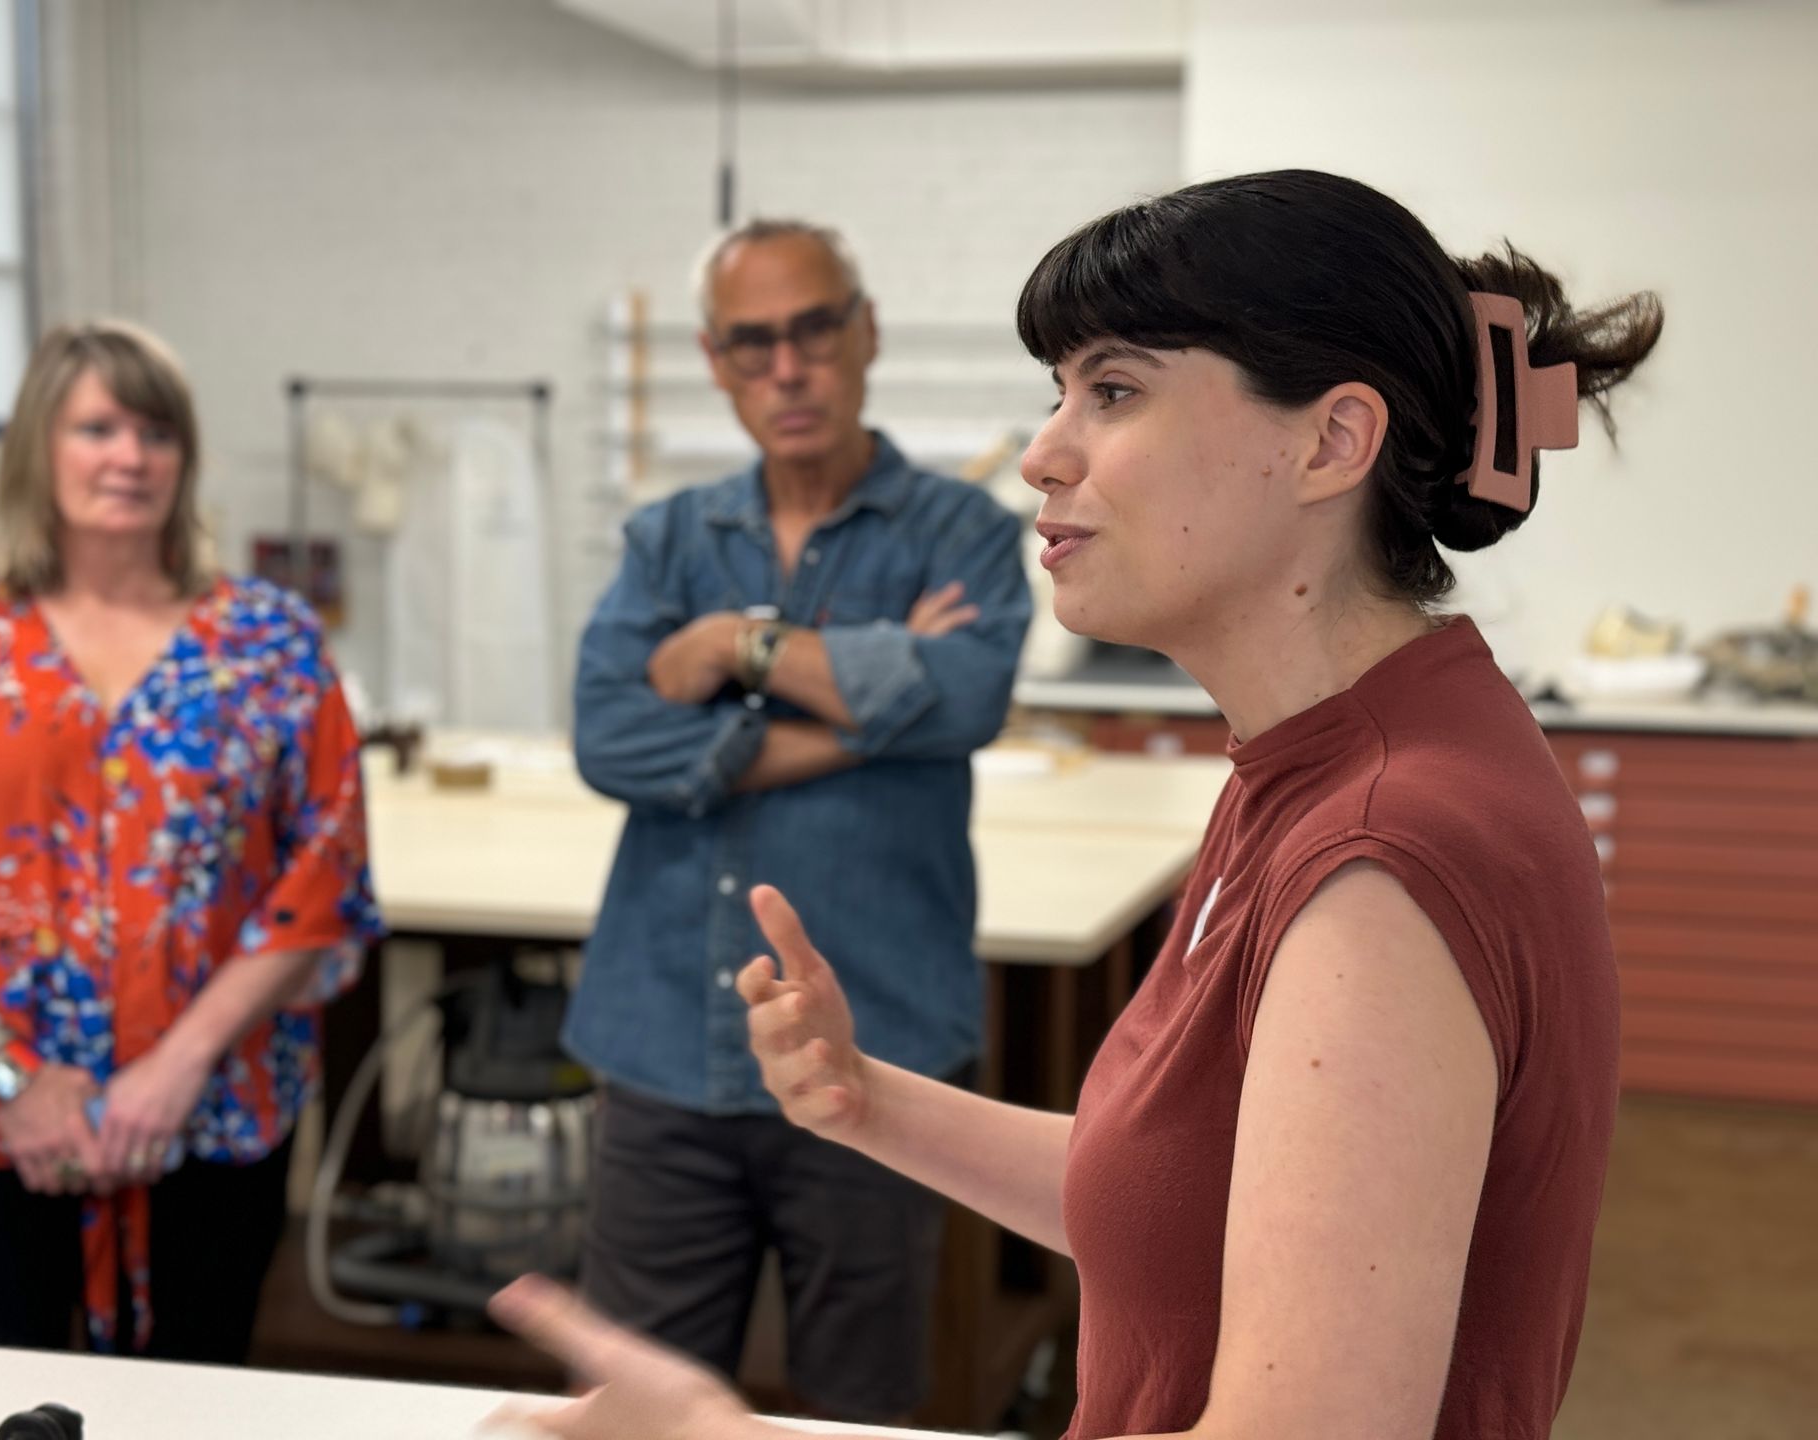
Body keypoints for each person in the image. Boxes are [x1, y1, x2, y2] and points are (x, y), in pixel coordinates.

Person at [489, 169, 1664, 1440]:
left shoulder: (1378, 856)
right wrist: (866, 1098)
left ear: (1332, 442)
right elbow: (1183, 1203)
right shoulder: (1323, 763)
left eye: (1113, 391)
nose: (1044, 455)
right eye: (1059, 395)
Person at [562, 218, 1031, 1421]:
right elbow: (613, 739)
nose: (789, 369)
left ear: (865, 332)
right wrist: (872, 708)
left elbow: (967, 697)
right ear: (717, 363)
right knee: (638, 1406)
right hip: (663, 1036)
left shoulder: (962, 530)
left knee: (862, 1410)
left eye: (814, 330)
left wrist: (733, 647)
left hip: (879, 1051)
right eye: (753, 343)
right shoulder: (668, 539)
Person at [0, 320, 383, 1362]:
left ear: (186, 458)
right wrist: (9, 1082)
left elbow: (322, 875)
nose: (130, 455)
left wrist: (177, 1069)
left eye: (156, 431)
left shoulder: (269, 642)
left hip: (208, 1116)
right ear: (39, 448)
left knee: (191, 1395)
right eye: (98, 427)